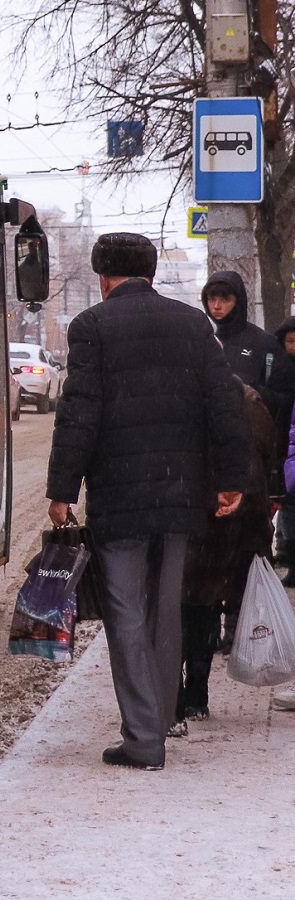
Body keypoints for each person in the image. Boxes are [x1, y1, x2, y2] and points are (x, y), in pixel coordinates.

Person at [47, 232, 246, 772]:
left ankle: (143, 738)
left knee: (125, 609)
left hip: (120, 495)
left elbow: (79, 414)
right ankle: (158, 721)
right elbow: (223, 405)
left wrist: (62, 491)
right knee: (166, 609)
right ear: (151, 273)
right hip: (182, 494)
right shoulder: (191, 324)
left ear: (103, 275)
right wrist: (231, 479)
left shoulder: (92, 327)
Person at [176, 379, 276, 730]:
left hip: (186, 516)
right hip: (227, 522)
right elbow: (264, 460)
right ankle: (196, 696)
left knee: (173, 609)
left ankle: (174, 697)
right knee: (205, 605)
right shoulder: (245, 398)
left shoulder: (179, 396)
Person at [200, 272, 295, 625]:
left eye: (225, 298)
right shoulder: (204, 343)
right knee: (211, 550)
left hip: (255, 465)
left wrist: (247, 392)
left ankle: (240, 624)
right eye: (211, 298)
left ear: (238, 299)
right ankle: (209, 625)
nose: (217, 306)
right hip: (211, 464)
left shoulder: (262, 344)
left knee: (248, 548)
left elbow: (284, 398)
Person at [272, 315, 295, 577]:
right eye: (289, 341)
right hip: (285, 442)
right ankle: (285, 548)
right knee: (285, 499)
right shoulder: (278, 368)